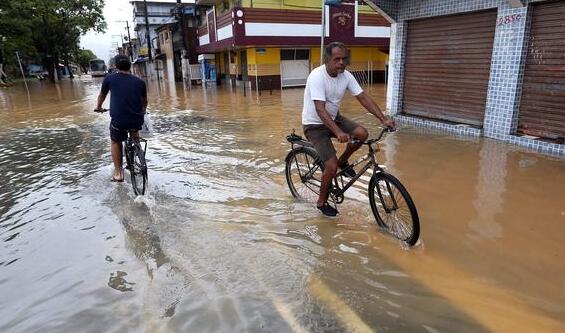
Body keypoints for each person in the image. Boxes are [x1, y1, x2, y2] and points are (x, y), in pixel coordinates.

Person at [302, 41, 395, 217]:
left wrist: (383, 119)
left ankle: (342, 162)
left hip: (334, 118)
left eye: (344, 59)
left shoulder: (346, 76)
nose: (341, 63)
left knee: (362, 134)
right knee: (330, 166)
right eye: (337, 59)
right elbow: (320, 109)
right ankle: (321, 203)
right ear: (327, 60)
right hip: (314, 124)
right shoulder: (316, 77)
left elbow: (363, 98)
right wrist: (338, 132)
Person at [95, 55, 147, 182]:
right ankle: (136, 157)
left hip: (119, 121)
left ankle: (119, 173)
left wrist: (98, 107)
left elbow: (102, 96)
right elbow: (145, 101)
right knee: (135, 133)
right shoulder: (140, 81)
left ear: (116, 66)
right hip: (137, 118)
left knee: (115, 141)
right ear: (130, 66)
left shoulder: (109, 79)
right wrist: (143, 112)